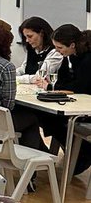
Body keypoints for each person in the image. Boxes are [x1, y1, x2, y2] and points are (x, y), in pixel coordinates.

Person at [38, 24, 91, 177]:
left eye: (60, 47)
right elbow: (63, 81)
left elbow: (80, 86)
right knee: (45, 116)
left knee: (51, 118)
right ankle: (77, 151)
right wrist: (56, 86)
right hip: (77, 102)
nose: (57, 51)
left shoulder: (87, 60)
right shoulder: (71, 57)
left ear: (72, 45)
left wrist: (55, 87)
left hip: (85, 107)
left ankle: (82, 151)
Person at [17, 17, 62, 85]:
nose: (27, 40)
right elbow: (23, 69)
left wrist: (14, 78)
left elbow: (40, 77)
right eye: (25, 37)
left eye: (30, 36)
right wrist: (10, 74)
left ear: (41, 33)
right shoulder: (32, 49)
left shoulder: (55, 52)